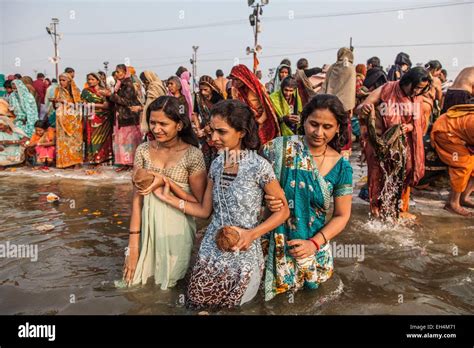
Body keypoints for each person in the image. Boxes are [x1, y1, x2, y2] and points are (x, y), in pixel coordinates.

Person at [153, 99, 289, 309]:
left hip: (243, 248)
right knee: (196, 302)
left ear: (241, 132)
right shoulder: (216, 164)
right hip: (212, 247)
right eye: (212, 131)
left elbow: (283, 212)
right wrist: (170, 199)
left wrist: (251, 235)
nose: (213, 138)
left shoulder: (259, 167)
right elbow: (205, 211)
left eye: (221, 132)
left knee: (232, 305)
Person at [261, 94, 353, 301]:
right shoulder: (277, 149)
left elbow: (341, 216)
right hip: (273, 242)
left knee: (310, 300)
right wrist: (266, 199)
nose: (319, 132)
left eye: (327, 127)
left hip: (311, 248)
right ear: (303, 121)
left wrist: (314, 243)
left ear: (338, 128)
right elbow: (251, 191)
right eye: (313, 124)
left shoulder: (342, 167)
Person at [122, 96, 207, 289]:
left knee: (170, 285)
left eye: (163, 123)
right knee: (135, 284)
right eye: (152, 122)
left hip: (177, 231)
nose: (156, 129)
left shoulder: (193, 155)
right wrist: (133, 246)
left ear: (179, 125)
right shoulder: (143, 150)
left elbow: (199, 204)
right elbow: (137, 199)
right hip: (145, 228)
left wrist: (166, 182)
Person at [357, 67, 431, 219]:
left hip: (405, 144)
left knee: (404, 173)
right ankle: (376, 209)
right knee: (378, 175)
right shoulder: (386, 89)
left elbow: (420, 123)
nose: (417, 91)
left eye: (421, 89)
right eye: (416, 87)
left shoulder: (419, 98)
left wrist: (409, 127)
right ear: (407, 82)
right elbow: (360, 107)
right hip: (380, 141)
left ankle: (399, 209)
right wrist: (364, 109)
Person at [431, 104, 474, 216]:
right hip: (445, 132)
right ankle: (452, 203)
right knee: (462, 165)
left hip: (459, 132)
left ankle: (463, 198)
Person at [228, 64, 280, 145]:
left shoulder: (256, 88)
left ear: (243, 78)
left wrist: (259, 121)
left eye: (237, 80)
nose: (235, 83)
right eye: (233, 80)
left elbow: (266, 107)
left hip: (262, 123)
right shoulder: (238, 91)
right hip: (248, 124)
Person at [106, 64, 142, 172]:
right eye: (116, 72)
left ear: (125, 72)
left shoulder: (128, 84)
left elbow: (127, 101)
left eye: (119, 71)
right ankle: (124, 163)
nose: (116, 74)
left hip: (128, 117)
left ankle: (131, 163)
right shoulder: (119, 84)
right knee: (121, 141)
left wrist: (111, 96)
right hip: (120, 117)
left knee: (129, 141)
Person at [321, 47, 356, 156]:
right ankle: (343, 155)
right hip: (345, 107)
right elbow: (351, 90)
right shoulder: (351, 68)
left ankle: (330, 154)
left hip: (331, 106)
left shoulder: (332, 67)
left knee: (331, 128)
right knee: (344, 129)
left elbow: (326, 86)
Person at [192, 75, 224, 170]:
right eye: (201, 89)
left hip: (216, 129)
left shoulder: (218, 97)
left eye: (205, 89)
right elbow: (195, 114)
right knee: (205, 155)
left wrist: (210, 127)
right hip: (204, 131)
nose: (203, 92)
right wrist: (198, 129)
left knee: (217, 154)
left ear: (211, 88)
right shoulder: (198, 97)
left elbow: (222, 116)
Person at [81, 73, 113, 166]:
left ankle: (104, 158)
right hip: (92, 117)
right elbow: (83, 104)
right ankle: (94, 159)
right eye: (89, 79)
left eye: (92, 79)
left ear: (98, 80)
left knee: (104, 139)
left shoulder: (105, 91)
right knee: (93, 138)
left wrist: (92, 105)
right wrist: (99, 105)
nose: (90, 81)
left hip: (105, 118)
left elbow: (108, 105)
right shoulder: (85, 91)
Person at [53, 73, 84, 169]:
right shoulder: (58, 90)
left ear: (69, 81)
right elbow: (55, 107)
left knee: (75, 141)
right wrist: (55, 102)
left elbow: (78, 106)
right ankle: (65, 163)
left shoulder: (75, 91)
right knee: (63, 142)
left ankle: (76, 162)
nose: (61, 82)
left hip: (74, 120)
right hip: (61, 120)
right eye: (60, 80)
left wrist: (64, 102)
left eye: (64, 80)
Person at [139, 71, 167, 135]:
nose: (145, 84)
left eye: (145, 82)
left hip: (155, 115)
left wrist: (141, 108)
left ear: (148, 79)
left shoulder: (154, 87)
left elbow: (151, 104)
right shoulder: (159, 85)